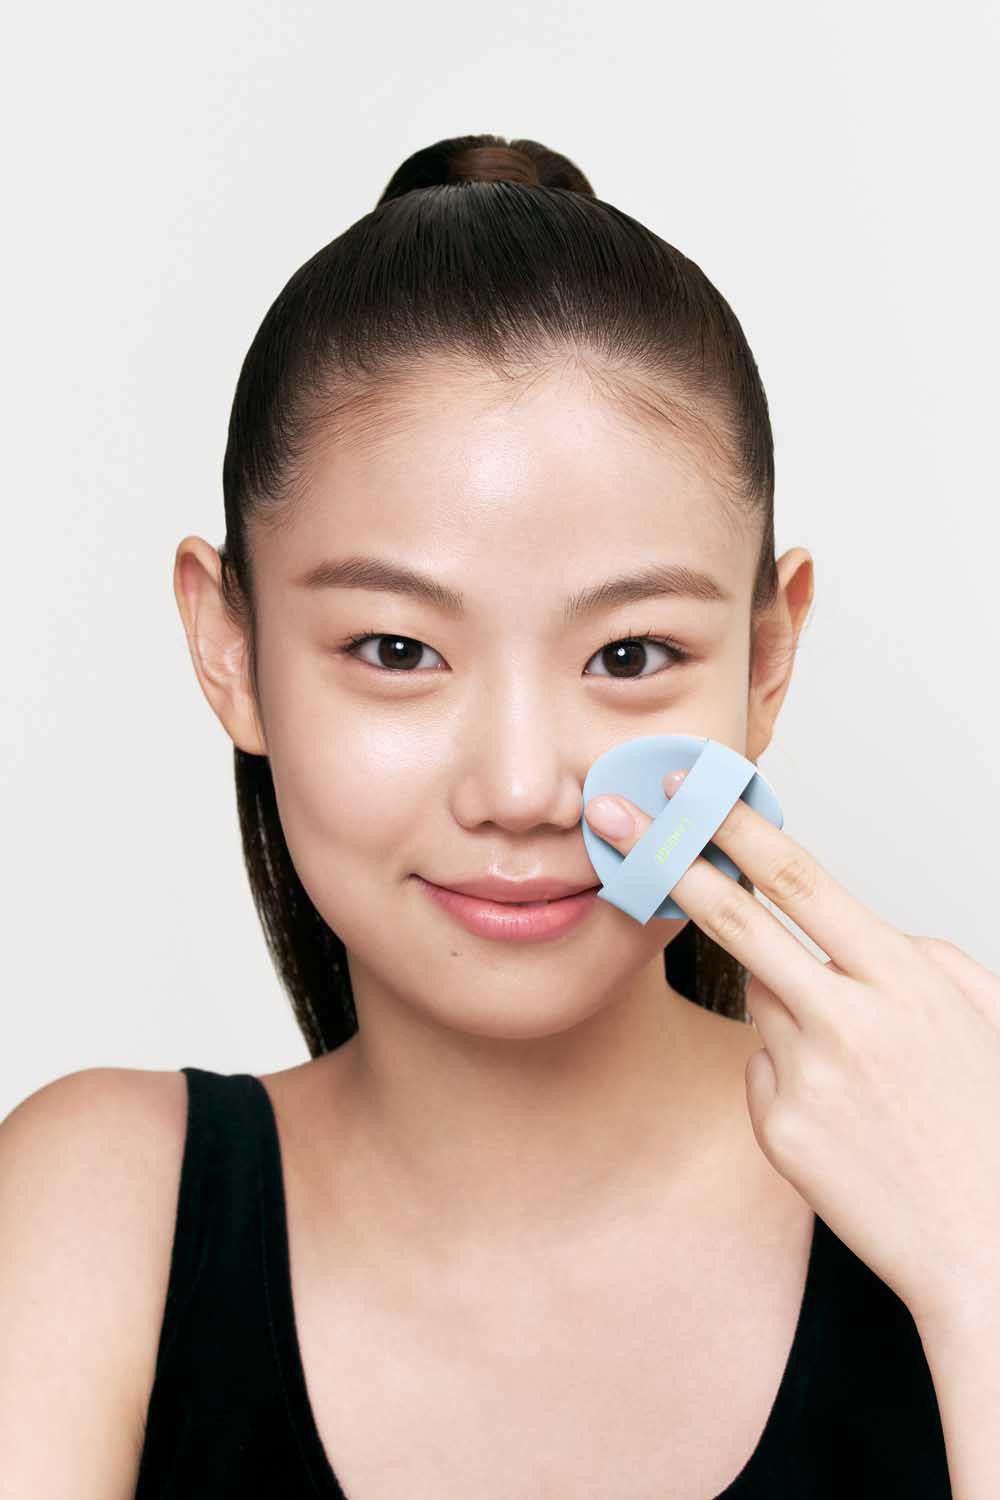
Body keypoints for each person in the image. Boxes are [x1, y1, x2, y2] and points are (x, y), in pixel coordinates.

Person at [0, 135, 951, 1497]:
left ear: (765, 661)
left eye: (629, 655)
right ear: (230, 648)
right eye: (396, 651)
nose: (518, 791)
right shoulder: (97, 1215)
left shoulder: (961, 1177)